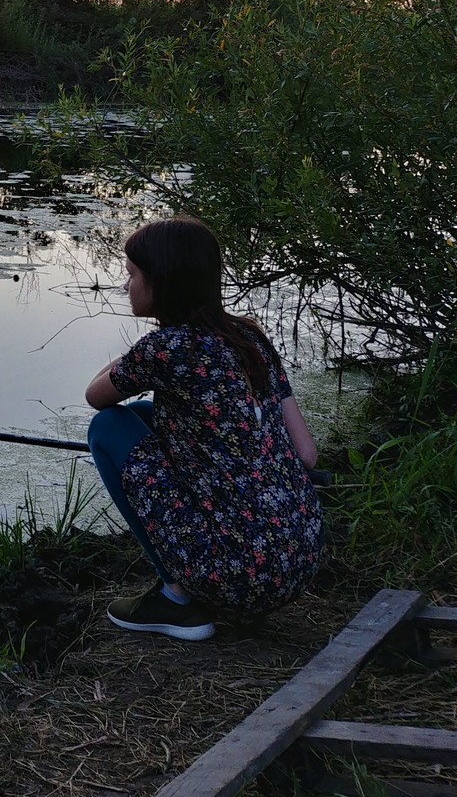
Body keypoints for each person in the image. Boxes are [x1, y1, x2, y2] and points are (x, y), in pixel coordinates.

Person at [84, 216, 322, 641]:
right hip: (299, 559)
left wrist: (139, 355)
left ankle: (176, 596)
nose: (126, 286)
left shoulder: (168, 348)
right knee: (142, 413)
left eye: (132, 274)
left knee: (108, 427)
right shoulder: (249, 337)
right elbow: (306, 453)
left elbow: (96, 396)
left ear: (162, 281)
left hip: (239, 576)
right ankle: (195, 579)